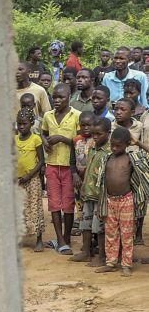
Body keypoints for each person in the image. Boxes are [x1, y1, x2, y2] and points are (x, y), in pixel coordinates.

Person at [95, 126, 149, 276]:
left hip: (126, 200)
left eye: (118, 145)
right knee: (110, 233)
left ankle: (126, 264)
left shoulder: (132, 158)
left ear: (127, 144)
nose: (114, 148)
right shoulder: (107, 158)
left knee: (127, 234)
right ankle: (111, 262)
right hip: (110, 201)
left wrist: (137, 143)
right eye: (112, 144)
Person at [42, 83, 80, 254]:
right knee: (54, 203)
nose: (56, 100)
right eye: (54, 97)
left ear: (69, 97)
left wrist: (62, 139)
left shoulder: (76, 116)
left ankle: (66, 237)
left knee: (68, 204)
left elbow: (80, 141)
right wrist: (44, 140)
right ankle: (60, 239)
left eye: (61, 97)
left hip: (69, 166)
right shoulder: (48, 116)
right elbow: (43, 132)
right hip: (52, 164)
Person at [72, 116, 111, 265]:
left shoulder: (108, 151)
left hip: (100, 195)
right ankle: (86, 251)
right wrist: (83, 185)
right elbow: (88, 168)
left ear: (108, 133)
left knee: (99, 227)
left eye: (98, 134)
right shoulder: (93, 148)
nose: (94, 137)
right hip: (88, 192)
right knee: (85, 223)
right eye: (93, 134)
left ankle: (102, 256)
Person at [16, 107, 45, 252]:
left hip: (32, 180)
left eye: (24, 124)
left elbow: (41, 161)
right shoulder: (15, 139)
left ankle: (39, 239)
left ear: (32, 123)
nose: (21, 126)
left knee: (35, 208)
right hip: (18, 180)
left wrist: (30, 174)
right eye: (19, 124)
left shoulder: (36, 139)